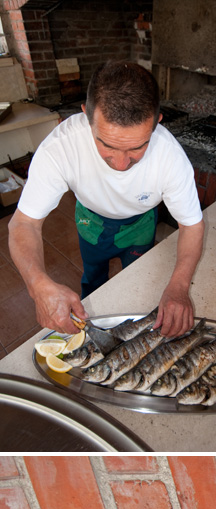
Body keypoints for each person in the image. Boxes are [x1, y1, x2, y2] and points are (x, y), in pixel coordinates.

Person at [9, 60, 203, 337]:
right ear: (87, 116)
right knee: (92, 277)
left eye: (138, 147)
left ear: (156, 124)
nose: (122, 164)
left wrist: (180, 287)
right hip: (91, 221)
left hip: (141, 223)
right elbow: (23, 223)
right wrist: (37, 284)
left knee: (139, 279)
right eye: (108, 146)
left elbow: (192, 225)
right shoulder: (60, 147)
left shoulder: (171, 157)